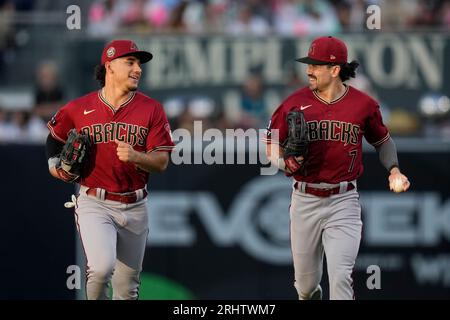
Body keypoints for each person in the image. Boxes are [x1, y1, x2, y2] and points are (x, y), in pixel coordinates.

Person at [265, 36, 410, 300]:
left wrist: (394, 169)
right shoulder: (293, 103)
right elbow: (271, 144)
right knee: (306, 288)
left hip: (343, 200)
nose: (309, 70)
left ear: (335, 70)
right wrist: (282, 160)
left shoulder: (363, 105)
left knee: (341, 277)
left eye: (316, 65)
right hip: (305, 198)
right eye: (309, 64)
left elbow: (383, 141)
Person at [45, 39, 174, 300]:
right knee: (101, 268)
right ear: (110, 66)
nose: (138, 68)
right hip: (95, 201)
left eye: (139, 64)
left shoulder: (152, 109)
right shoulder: (78, 108)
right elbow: (53, 139)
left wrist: (137, 156)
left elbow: (161, 162)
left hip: (136, 205)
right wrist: (54, 167)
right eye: (130, 62)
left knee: (127, 290)